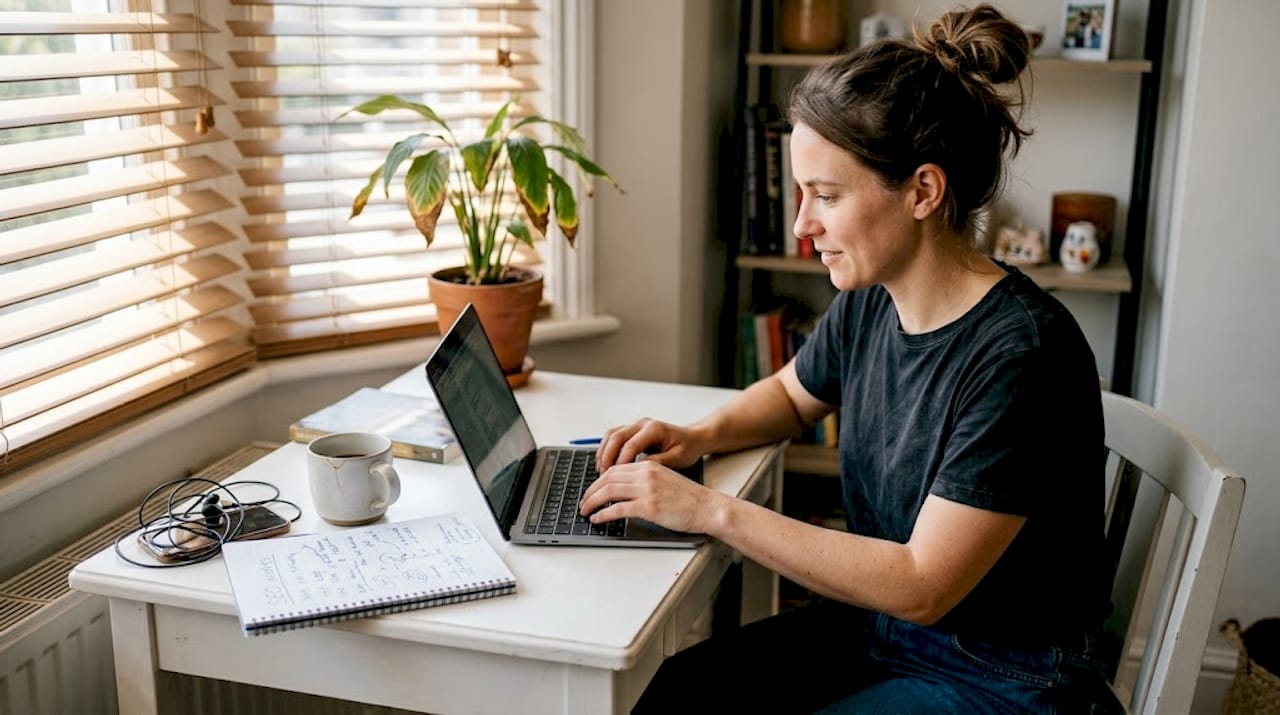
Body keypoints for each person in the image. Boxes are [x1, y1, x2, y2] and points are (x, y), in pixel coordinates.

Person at [579, 5, 1123, 713]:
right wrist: (698, 435)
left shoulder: (1022, 356)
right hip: (886, 629)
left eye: (826, 196)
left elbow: (923, 582)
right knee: (673, 693)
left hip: (1005, 675)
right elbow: (790, 395)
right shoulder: (875, 296)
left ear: (923, 191)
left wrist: (710, 510)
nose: (804, 223)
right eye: (802, 194)